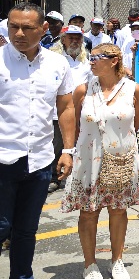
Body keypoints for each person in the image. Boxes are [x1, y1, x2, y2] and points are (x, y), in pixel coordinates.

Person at [1, 2, 76, 279]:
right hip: (2, 160)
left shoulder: (57, 65)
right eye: (13, 26)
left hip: (40, 162)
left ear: (44, 30)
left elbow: (66, 108)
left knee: (25, 231)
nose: (18, 33)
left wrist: (68, 150)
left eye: (26, 27)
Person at [60, 43, 139, 279]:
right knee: (88, 212)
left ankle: (117, 260)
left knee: (118, 211)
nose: (92, 61)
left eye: (97, 57)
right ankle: (90, 264)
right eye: (92, 57)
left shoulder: (133, 90)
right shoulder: (82, 91)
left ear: (114, 60)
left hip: (120, 160)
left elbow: (135, 124)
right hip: (88, 160)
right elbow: (74, 124)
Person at [48, 25, 92, 193]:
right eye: (71, 38)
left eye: (78, 38)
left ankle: (77, 177)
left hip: (81, 111)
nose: (74, 41)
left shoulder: (86, 61)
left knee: (80, 145)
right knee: (57, 146)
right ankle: (54, 177)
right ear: (63, 39)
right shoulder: (54, 59)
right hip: (58, 112)